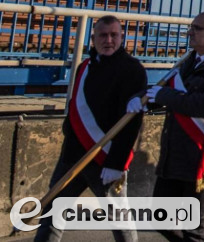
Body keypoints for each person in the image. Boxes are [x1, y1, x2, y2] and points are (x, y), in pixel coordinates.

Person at [35, 15, 147, 242]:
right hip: (73, 155)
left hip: (105, 159)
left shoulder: (132, 69)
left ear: (122, 37)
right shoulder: (84, 67)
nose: (109, 40)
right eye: (103, 35)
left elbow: (131, 123)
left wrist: (117, 163)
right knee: (53, 214)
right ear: (93, 38)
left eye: (114, 35)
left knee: (119, 221)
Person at [132, 11, 204, 242]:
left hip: (203, 158)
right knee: (161, 218)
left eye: (197, 28)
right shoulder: (190, 61)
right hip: (175, 155)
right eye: (191, 27)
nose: (190, 32)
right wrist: (144, 98)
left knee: (194, 228)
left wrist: (165, 95)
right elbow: (170, 88)